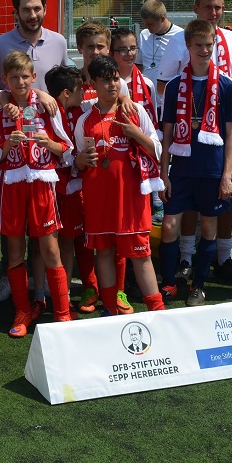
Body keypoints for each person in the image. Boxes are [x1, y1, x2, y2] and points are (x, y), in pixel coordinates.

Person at [155, 0, 232, 286]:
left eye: (219, 7)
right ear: (196, 8)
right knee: (187, 211)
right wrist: (190, 110)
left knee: (222, 202)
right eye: (208, 6)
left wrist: (214, 97)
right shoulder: (180, 42)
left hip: (218, 141)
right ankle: (184, 260)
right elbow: (164, 85)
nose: (214, 12)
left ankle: (222, 259)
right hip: (185, 144)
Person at [0, 51, 73, 337]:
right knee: (14, 249)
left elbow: (66, 149)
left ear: (33, 77)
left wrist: (47, 142)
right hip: (10, 186)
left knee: (50, 248)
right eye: (14, 77)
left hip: (41, 185)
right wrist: (7, 146)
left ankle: (62, 312)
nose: (20, 82)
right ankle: (23, 309)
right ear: (5, 80)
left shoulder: (47, 107)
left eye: (25, 77)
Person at [74, 55, 165, 315]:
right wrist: (80, 159)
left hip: (131, 199)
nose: (112, 85)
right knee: (103, 254)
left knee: (141, 255)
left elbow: (158, 150)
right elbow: (77, 162)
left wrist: (136, 134)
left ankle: (156, 311)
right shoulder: (85, 119)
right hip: (98, 199)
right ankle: (112, 309)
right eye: (105, 80)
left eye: (115, 79)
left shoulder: (134, 111)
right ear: (93, 83)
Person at [45, 65, 100, 314]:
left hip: (77, 185)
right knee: (61, 243)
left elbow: (116, 91)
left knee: (80, 238)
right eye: (80, 89)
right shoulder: (46, 111)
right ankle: (58, 294)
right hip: (54, 187)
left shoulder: (81, 109)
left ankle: (84, 288)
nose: (85, 92)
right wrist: (70, 156)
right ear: (67, 92)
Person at [0, 0, 69, 92]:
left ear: (44, 10)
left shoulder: (59, 42)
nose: (33, 16)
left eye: (37, 9)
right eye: (26, 10)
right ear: (17, 14)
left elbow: (64, 84)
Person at [137, 0, 183, 98]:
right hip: (146, 97)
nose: (147, 27)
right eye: (145, 23)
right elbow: (138, 66)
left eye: (150, 24)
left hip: (167, 98)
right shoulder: (143, 35)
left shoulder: (180, 36)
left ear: (162, 18)